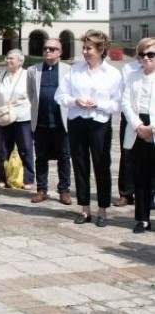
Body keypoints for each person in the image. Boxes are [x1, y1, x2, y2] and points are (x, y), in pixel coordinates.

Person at [55, 29, 122, 227]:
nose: (84, 51)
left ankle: (102, 209)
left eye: (89, 48)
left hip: (99, 123)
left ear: (101, 50)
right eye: (84, 48)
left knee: (101, 165)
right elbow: (60, 96)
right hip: (77, 121)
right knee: (80, 165)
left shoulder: (113, 74)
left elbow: (118, 104)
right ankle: (84, 209)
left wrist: (98, 104)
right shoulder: (74, 70)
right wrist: (75, 101)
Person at [26, 38, 72, 204]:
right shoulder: (33, 70)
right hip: (41, 121)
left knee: (64, 157)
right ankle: (42, 189)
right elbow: (31, 94)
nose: (48, 51)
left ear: (60, 52)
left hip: (62, 122)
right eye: (45, 48)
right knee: (41, 157)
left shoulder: (68, 70)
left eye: (52, 49)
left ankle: (64, 190)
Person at [121, 38, 155, 233]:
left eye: (151, 54)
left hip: (153, 126)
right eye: (142, 55)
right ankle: (142, 218)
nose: (146, 58)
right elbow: (125, 103)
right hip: (137, 127)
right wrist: (138, 126)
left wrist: (152, 129)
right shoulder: (132, 76)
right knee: (140, 176)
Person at [0, 49, 35, 190]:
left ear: (20, 61)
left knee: (25, 148)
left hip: (23, 117)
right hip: (4, 117)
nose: (8, 61)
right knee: (4, 149)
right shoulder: (2, 74)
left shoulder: (27, 75)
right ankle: (2, 177)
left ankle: (28, 179)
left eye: (11, 59)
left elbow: (34, 97)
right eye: (7, 58)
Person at [114, 57, 141, 207]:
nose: (146, 56)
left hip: (151, 117)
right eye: (142, 53)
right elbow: (122, 94)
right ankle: (126, 193)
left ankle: (149, 193)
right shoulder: (128, 68)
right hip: (130, 116)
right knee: (127, 155)